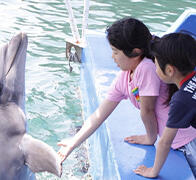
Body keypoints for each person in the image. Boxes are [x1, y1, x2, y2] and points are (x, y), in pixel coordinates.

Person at [57, 17, 196, 172]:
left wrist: (150, 138)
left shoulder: (146, 68)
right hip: (178, 141)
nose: (112, 57)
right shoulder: (125, 78)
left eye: (116, 52)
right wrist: (73, 142)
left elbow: (148, 111)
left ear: (135, 53)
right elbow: (99, 115)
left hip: (187, 142)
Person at [134, 33, 196, 178]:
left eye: (156, 65)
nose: (155, 69)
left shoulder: (181, 100)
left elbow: (165, 142)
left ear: (169, 70)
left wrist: (153, 171)